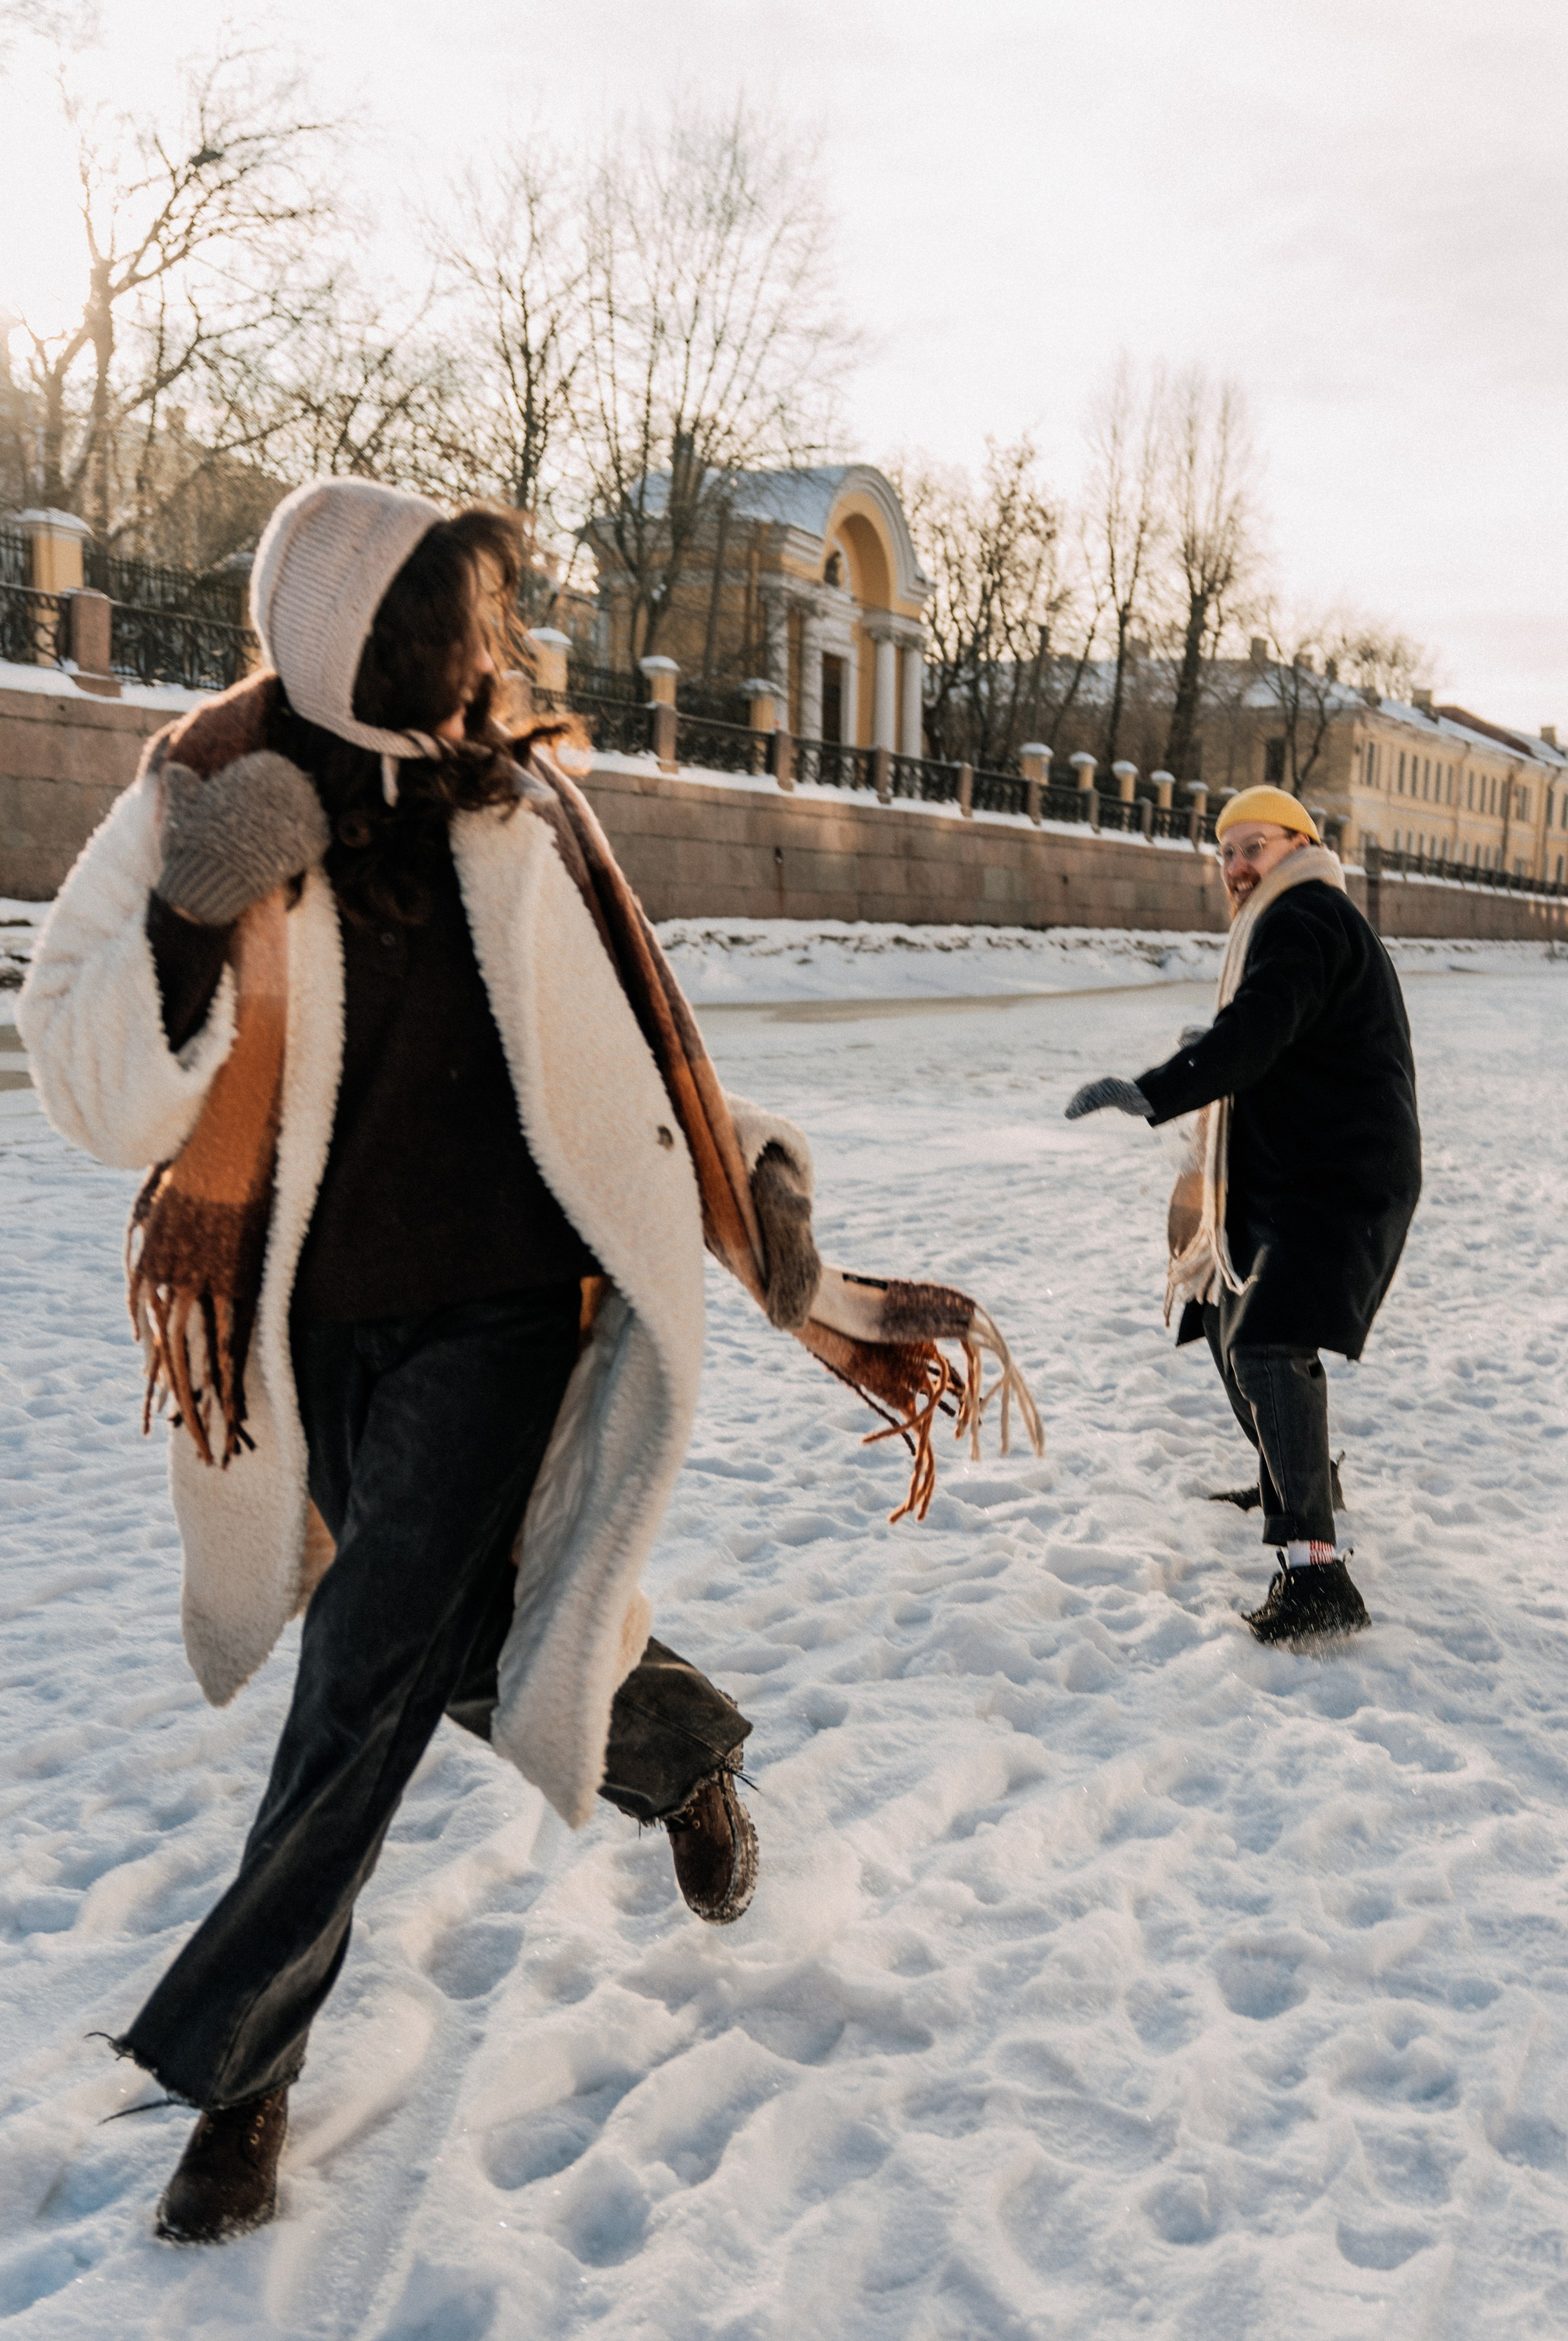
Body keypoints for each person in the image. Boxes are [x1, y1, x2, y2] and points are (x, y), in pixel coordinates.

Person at [21, 478, 1036, 2244]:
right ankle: (683, 1755)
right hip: (304, 1331)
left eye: (485, 621)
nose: (485, 651)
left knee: (359, 1675)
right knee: (461, 1648)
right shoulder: (205, 783)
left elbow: (633, 1038)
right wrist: (198, 909)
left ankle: (237, 2082)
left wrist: (758, 1174)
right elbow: (94, 1085)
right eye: (453, 620)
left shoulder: (515, 798)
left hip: (510, 1317)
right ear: (361, 631)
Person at [1064, 785, 1422, 1645]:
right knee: (1228, 1319)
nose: (1236, 866)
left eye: (1253, 845)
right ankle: (1300, 1481)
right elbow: (1279, 1027)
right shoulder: (1292, 919)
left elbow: (1261, 1027)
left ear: (1299, 843)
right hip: (1301, 1165)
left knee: (1266, 1340)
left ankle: (1316, 1573)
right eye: (1225, 852)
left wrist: (1157, 1087)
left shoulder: (1304, 915)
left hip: (1337, 1174)